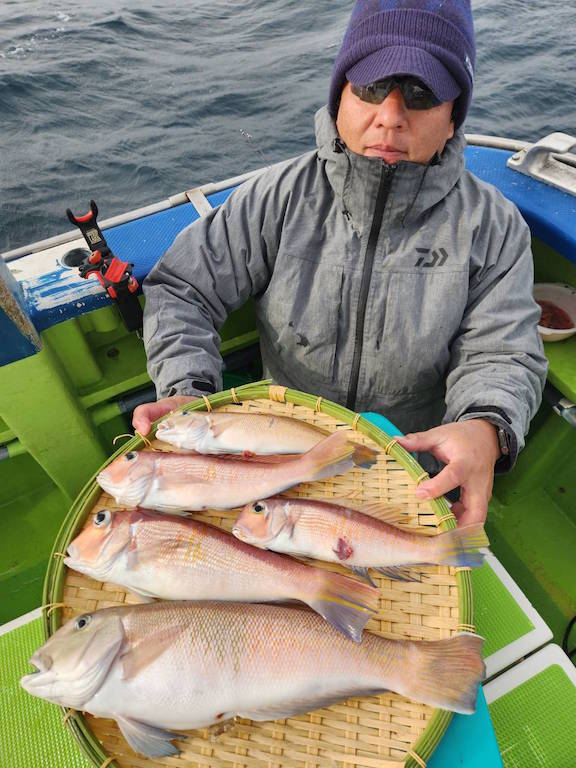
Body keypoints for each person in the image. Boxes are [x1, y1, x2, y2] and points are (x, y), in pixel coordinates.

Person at [133, 0, 547, 527]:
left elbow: (504, 350)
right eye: (372, 87)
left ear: (453, 116)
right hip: (273, 473)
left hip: (407, 477)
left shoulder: (494, 226)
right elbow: (184, 288)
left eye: (421, 94)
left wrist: (486, 426)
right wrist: (189, 394)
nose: (391, 116)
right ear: (339, 97)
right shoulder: (276, 197)